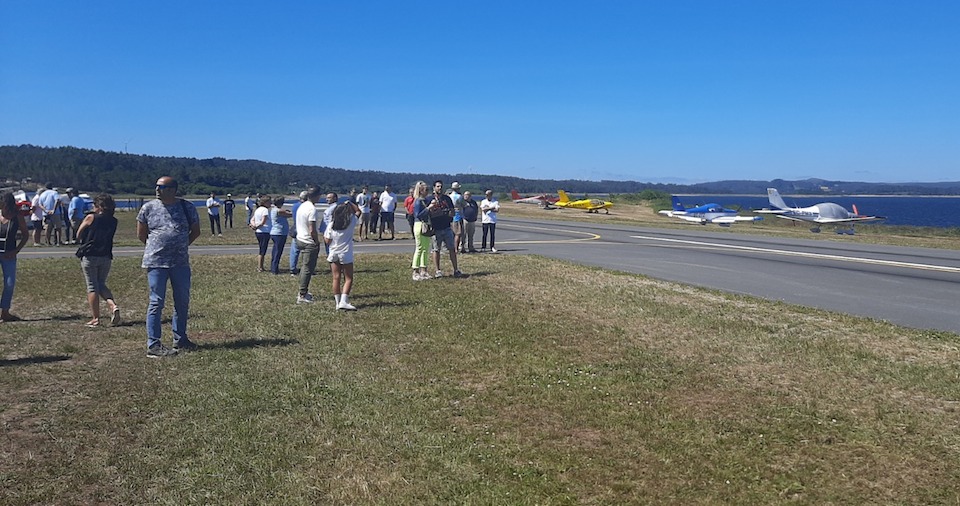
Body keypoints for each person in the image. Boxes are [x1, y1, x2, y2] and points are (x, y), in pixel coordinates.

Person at [136, 176, 201, 357]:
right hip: (156, 262)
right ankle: (153, 344)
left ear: (173, 189)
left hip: (180, 263)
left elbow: (195, 231)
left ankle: (180, 338)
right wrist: (157, 248)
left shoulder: (186, 207)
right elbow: (142, 235)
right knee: (156, 302)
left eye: (161, 187)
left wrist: (180, 246)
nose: (157, 190)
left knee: (182, 301)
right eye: (156, 186)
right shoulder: (148, 208)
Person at [75, 193, 120, 327]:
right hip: (106, 255)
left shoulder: (91, 217)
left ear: (99, 207)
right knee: (101, 284)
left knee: (92, 286)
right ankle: (112, 305)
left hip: (90, 254)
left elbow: (78, 233)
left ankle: (95, 318)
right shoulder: (113, 221)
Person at [324, 200, 359, 310]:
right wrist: (349, 203)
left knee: (336, 277)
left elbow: (327, 239)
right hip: (345, 253)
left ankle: (337, 302)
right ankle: (344, 300)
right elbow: (358, 211)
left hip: (333, 252)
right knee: (348, 278)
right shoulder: (351, 222)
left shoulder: (331, 225)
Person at [1, 191, 29, 322]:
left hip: (9, 254)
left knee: (9, 283)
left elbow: (25, 235)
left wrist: (17, 250)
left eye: (5, 204)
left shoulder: (17, 216)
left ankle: (5, 312)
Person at [424, 180, 462, 278]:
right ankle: (438, 270)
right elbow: (427, 213)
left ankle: (456, 269)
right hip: (436, 228)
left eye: (441, 186)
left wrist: (449, 213)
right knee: (436, 249)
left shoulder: (447, 199)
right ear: (434, 188)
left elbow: (453, 211)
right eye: (438, 186)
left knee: (451, 248)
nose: (439, 188)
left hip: (446, 226)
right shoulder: (429, 199)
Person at [294, 187, 323, 304]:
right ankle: (302, 294)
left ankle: (303, 290)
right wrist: (316, 241)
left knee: (304, 266)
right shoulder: (312, 209)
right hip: (308, 241)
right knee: (307, 268)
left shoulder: (303, 205)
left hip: (300, 238)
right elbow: (312, 229)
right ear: (317, 196)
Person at [410, 181, 432, 281]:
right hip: (419, 224)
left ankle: (424, 270)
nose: (428, 192)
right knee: (419, 248)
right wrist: (428, 209)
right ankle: (415, 271)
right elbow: (418, 214)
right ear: (421, 191)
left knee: (425, 248)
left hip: (426, 224)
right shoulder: (418, 201)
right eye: (426, 190)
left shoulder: (425, 200)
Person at [269, 195, 292, 275]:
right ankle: (274, 269)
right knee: (278, 251)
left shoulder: (274, 210)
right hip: (279, 233)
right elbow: (290, 214)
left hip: (276, 232)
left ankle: (273, 267)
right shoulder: (279, 211)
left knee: (275, 250)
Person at [250, 195, 272, 272]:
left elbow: (252, 219)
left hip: (258, 232)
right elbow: (263, 222)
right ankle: (260, 267)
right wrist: (257, 226)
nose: (270, 203)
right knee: (262, 250)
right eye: (269, 202)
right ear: (265, 202)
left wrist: (253, 225)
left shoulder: (258, 210)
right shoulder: (265, 210)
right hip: (264, 231)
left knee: (262, 248)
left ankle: (260, 266)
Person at [289, 191, 308, 276]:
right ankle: (306, 267)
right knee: (306, 250)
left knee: (294, 250)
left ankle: (292, 268)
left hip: (295, 227)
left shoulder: (295, 206)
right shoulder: (306, 206)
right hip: (303, 229)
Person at [480, 189, 500, 253]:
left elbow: (497, 210)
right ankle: (483, 247)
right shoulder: (483, 201)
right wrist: (491, 208)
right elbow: (483, 209)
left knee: (492, 234)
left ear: (491, 195)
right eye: (486, 195)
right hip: (485, 220)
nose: (487, 196)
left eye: (488, 195)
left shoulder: (495, 202)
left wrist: (488, 208)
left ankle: (492, 246)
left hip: (492, 220)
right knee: (484, 234)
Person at [449, 181, 464, 253]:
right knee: (458, 233)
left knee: (451, 233)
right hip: (457, 215)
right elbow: (464, 204)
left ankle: (451, 247)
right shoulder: (459, 197)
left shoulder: (449, 196)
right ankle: (456, 249)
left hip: (450, 216)